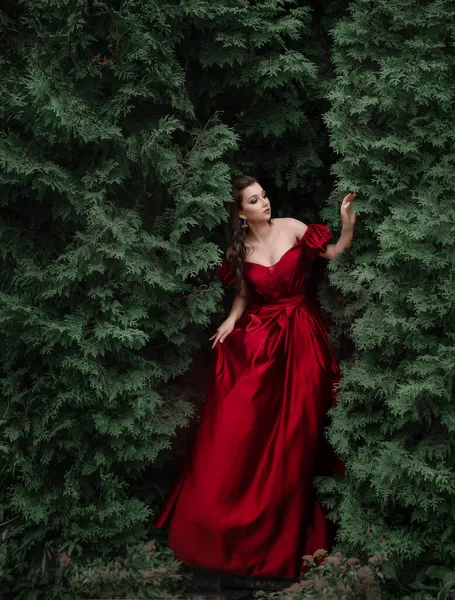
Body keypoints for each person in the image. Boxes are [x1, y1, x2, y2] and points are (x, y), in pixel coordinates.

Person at [156, 175, 357, 580]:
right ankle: (223, 524)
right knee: (242, 425)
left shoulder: (294, 228)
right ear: (239, 213)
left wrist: (347, 222)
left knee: (296, 432)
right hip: (262, 339)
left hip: (301, 336)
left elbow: (334, 251)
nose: (264, 203)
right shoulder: (241, 248)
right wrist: (231, 321)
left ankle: (286, 535)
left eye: (264, 195)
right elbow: (244, 294)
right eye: (254, 200)